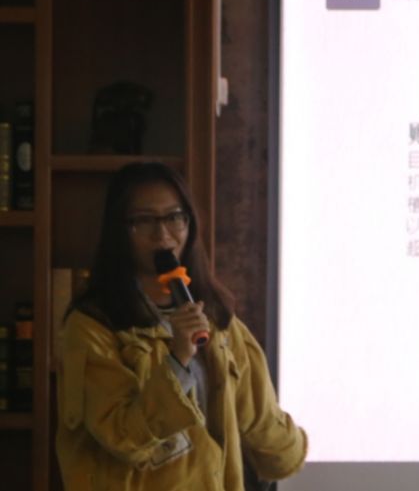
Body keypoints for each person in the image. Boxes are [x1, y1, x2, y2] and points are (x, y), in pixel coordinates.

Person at [56, 162, 307, 490]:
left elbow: (260, 421)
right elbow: (123, 436)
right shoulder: (92, 327)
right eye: (144, 220)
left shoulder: (215, 318)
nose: (163, 234)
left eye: (174, 217)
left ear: (190, 223)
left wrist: (298, 452)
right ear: (120, 230)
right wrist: (177, 360)